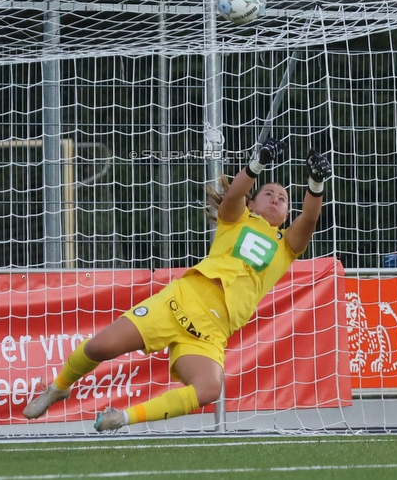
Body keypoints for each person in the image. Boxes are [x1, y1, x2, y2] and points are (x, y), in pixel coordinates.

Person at [22, 136, 331, 432]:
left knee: (210, 387)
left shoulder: (286, 245)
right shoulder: (236, 218)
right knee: (100, 346)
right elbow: (235, 194)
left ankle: (123, 418)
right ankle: (59, 388)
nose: (276, 199)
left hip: (212, 331)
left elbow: (310, 218)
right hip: (179, 301)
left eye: (283, 198)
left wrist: (316, 183)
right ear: (253, 203)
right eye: (269, 194)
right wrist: (257, 164)